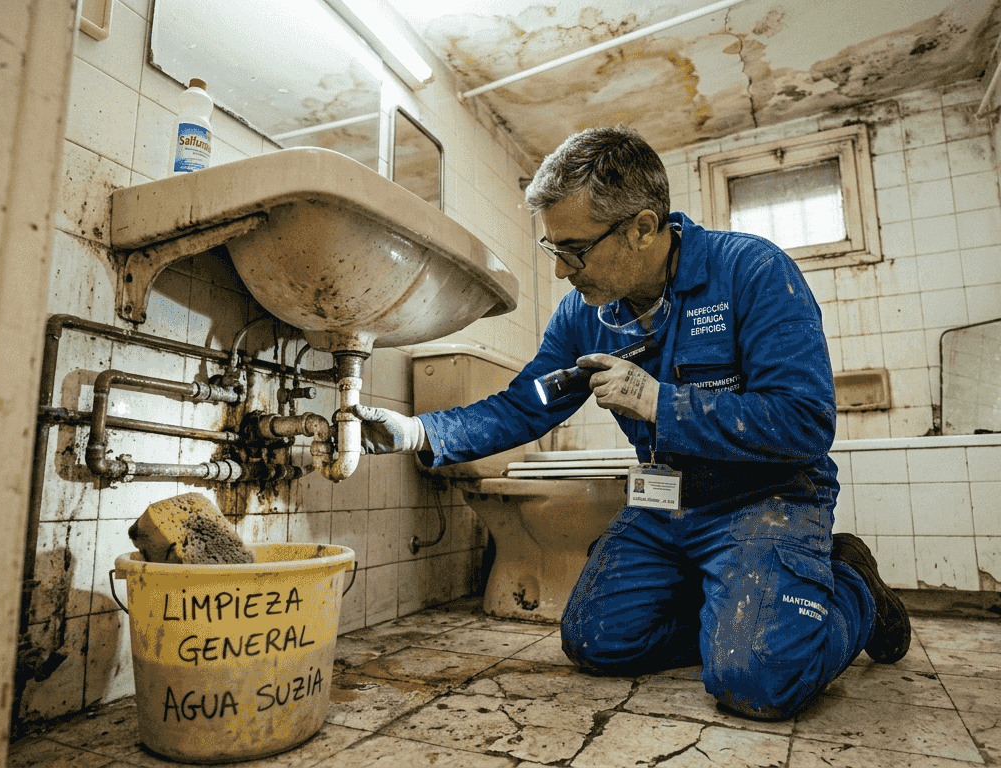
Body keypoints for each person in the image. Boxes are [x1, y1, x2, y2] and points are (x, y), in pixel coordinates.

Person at [352, 126, 910, 720]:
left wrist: (658, 401)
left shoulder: (751, 271)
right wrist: (417, 431)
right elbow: (527, 403)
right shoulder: (583, 314)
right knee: (595, 641)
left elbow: (804, 422)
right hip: (666, 502)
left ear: (643, 227)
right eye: (554, 250)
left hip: (764, 495)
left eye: (575, 249)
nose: (564, 271)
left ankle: (852, 586)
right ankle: (733, 608)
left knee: (757, 682)